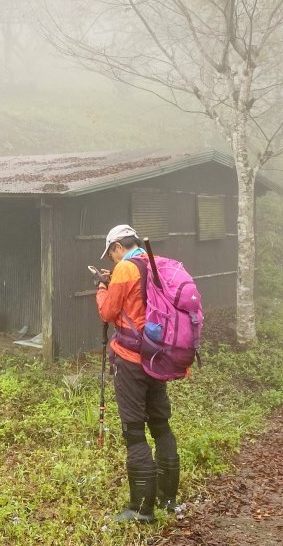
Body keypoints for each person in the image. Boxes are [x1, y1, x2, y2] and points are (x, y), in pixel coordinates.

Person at [95, 224, 180, 523]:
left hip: (131, 359)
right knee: (161, 425)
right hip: (157, 357)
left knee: (134, 431)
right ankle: (169, 499)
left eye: (111, 256)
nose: (112, 262)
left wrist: (102, 287)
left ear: (118, 247)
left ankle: (141, 510)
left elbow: (107, 312)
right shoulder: (153, 262)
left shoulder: (125, 269)